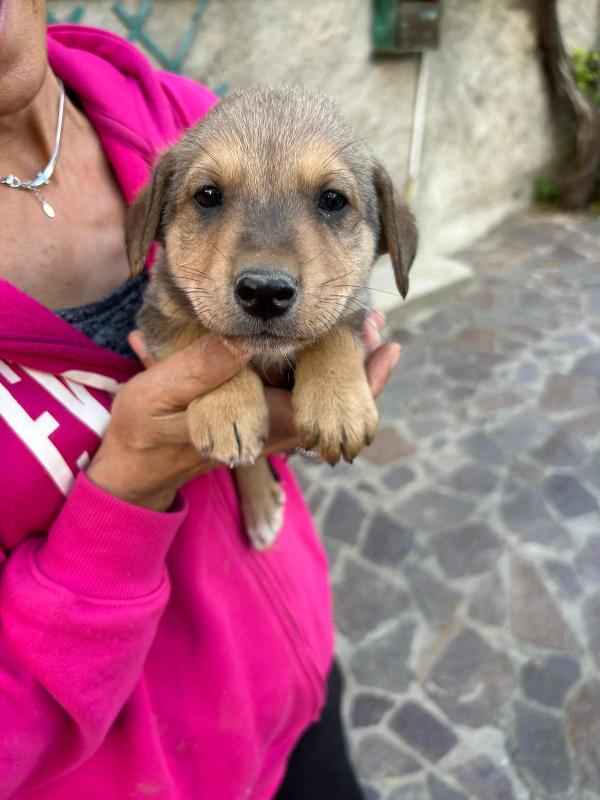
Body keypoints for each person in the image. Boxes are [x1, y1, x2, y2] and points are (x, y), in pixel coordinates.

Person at [0, 2, 402, 798]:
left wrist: (329, 356)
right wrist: (131, 481)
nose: (265, 264)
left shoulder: (182, 115)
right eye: (209, 199)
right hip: (137, 771)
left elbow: (333, 299)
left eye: (331, 204)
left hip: (291, 678)